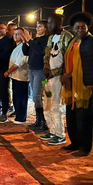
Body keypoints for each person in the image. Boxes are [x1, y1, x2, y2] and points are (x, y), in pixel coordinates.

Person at [61, 12, 93, 156]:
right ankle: (74, 142)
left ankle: (85, 147)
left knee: (84, 117)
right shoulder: (72, 42)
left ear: (88, 27)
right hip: (71, 85)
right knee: (71, 116)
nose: (80, 30)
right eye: (77, 27)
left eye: (83, 27)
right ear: (73, 28)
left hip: (86, 85)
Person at [40, 13, 74, 145]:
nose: (48, 25)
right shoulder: (50, 38)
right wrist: (46, 68)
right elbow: (47, 56)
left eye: (50, 23)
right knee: (46, 105)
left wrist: (55, 72)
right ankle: (52, 130)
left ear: (59, 23)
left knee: (55, 106)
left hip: (59, 78)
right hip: (48, 78)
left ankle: (60, 135)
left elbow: (67, 60)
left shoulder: (67, 37)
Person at [22, 20, 50, 134]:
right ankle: (38, 121)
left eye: (40, 27)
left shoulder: (47, 39)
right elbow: (27, 52)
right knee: (35, 97)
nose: (38, 28)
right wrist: (25, 42)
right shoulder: (36, 40)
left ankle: (43, 122)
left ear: (46, 28)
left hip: (40, 71)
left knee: (37, 96)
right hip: (32, 69)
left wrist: (30, 41)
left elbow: (41, 52)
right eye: (37, 27)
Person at [5, 27, 29, 124]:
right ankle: (18, 115)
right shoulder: (17, 46)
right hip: (15, 76)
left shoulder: (24, 46)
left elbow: (19, 63)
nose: (15, 36)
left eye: (18, 34)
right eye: (14, 34)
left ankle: (21, 118)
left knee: (21, 98)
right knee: (16, 97)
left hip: (22, 76)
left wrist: (8, 71)